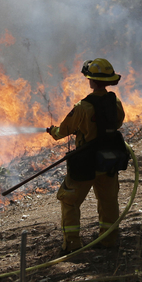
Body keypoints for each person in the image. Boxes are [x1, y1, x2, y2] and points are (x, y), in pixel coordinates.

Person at [46, 58, 127, 254]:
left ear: (90, 80)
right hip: (109, 160)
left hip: (86, 162)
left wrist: (53, 131)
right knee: (108, 201)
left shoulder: (83, 106)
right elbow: (118, 123)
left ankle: (72, 244)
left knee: (69, 201)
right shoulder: (114, 101)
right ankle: (108, 241)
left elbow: (64, 130)